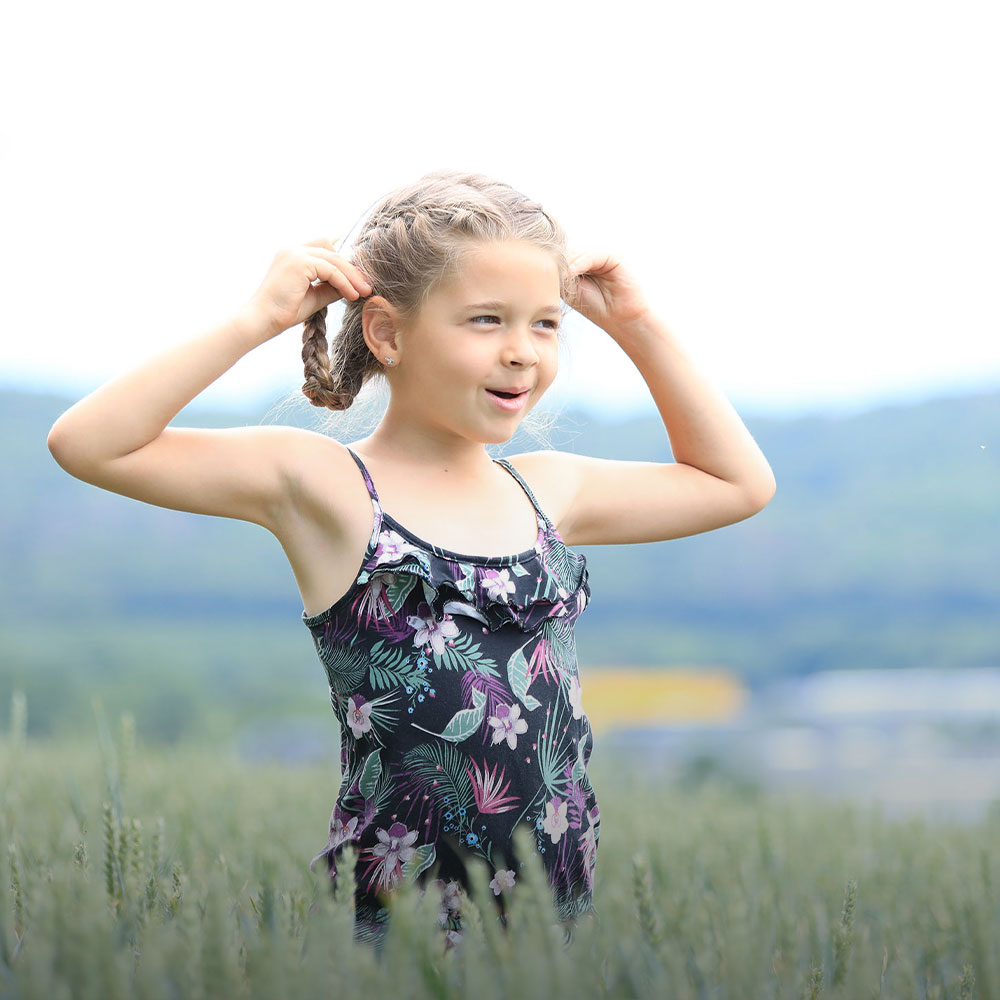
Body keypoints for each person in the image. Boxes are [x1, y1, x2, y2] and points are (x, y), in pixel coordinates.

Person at [47, 169, 776, 955]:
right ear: (388, 334)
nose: (521, 353)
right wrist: (255, 319)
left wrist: (636, 323)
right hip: (394, 933)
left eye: (546, 325)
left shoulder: (546, 491)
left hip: (550, 924)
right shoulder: (330, 489)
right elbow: (87, 443)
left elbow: (737, 484)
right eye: (486, 320)